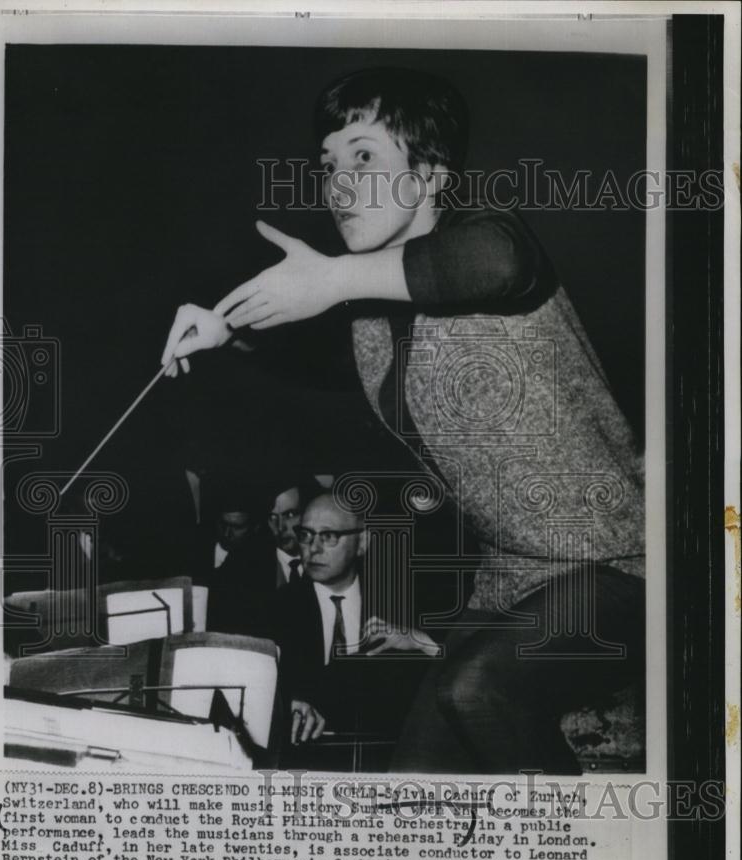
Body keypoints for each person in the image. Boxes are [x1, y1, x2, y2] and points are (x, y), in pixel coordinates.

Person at [161, 67, 645, 775]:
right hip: (514, 576)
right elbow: (317, 367)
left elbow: (498, 261)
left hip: (622, 556)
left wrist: (330, 279)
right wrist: (225, 329)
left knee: (476, 692)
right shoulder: (369, 322)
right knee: (413, 784)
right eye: (329, 165)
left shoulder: (484, 239)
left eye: (364, 156)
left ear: (429, 176)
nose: (338, 183)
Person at [273, 491, 435, 770]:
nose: (313, 548)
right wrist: (287, 703)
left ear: (362, 542)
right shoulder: (274, 609)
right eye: (306, 535)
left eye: (329, 536)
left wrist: (424, 642)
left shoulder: (399, 608)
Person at [198, 479, 275, 637]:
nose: (227, 534)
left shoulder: (260, 562)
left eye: (237, 527)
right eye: (223, 524)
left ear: (256, 527)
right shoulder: (194, 547)